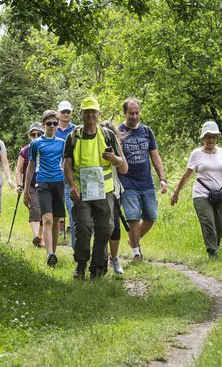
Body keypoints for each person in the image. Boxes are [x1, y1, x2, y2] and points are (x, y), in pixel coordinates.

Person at [63, 97, 128, 279]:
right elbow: (67, 165)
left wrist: (113, 159)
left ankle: (98, 270)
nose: (90, 115)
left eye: (93, 111)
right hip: (81, 191)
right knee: (83, 227)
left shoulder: (108, 135)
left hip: (105, 192)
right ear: (82, 114)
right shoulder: (73, 137)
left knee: (105, 229)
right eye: (87, 111)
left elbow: (121, 164)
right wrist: (72, 186)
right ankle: (81, 265)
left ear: (98, 114)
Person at [170, 121, 222, 258]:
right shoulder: (196, 154)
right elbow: (187, 175)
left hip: (221, 193)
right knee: (208, 223)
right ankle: (212, 252)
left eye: (213, 136)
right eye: (208, 136)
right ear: (203, 138)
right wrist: (176, 192)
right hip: (201, 194)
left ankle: (214, 242)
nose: (210, 139)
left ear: (217, 138)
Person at [118, 98, 168, 262]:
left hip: (146, 183)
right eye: (131, 113)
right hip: (127, 182)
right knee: (132, 217)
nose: (134, 116)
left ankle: (133, 239)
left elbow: (155, 156)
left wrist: (162, 178)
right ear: (125, 113)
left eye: (136, 113)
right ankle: (136, 253)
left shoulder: (146, 131)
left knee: (151, 216)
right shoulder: (118, 131)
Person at [24, 110, 67, 267]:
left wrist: (63, 172)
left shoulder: (62, 143)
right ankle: (50, 253)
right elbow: (31, 166)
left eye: (55, 123)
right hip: (42, 183)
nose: (52, 126)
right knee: (47, 219)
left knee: (56, 221)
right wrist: (26, 191)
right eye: (49, 123)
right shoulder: (36, 143)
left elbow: (66, 162)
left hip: (58, 182)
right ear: (44, 125)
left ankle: (53, 255)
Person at [101, 120, 126, 275]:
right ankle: (101, 258)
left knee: (115, 229)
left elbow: (124, 169)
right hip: (97, 192)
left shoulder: (116, 148)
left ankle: (114, 258)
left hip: (115, 192)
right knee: (100, 228)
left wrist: (118, 150)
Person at [16, 122, 44, 247]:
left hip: (45, 183)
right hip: (30, 184)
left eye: (39, 133)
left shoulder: (46, 148)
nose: (36, 136)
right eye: (33, 134)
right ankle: (36, 236)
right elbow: (19, 170)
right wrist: (19, 185)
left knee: (45, 211)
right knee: (35, 209)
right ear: (30, 136)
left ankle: (41, 238)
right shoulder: (25, 151)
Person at [55, 100, 77, 248]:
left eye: (68, 112)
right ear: (58, 113)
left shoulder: (76, 130)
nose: (66, 114)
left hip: (71, 174)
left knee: (73, 210)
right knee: (55, 211)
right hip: (55, 174)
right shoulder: (52, 128)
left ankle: (75, 246)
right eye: (63, 112)